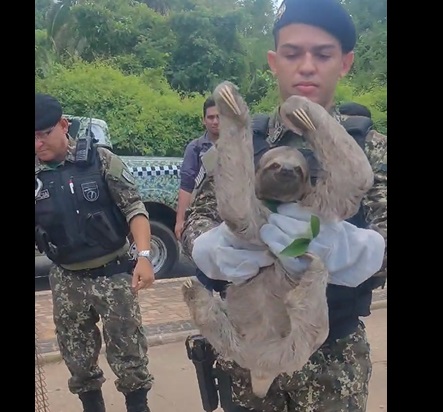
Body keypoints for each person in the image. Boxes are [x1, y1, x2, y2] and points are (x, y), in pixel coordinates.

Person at [181, 0, 387, 411]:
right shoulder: (241, 140)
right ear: (274, 61)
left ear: (345, 62)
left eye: (322, 54)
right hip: (249, 343)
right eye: (293, 54)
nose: (306, 66)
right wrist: (210, 248)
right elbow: (195, 219)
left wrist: (355, 252)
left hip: (333, 354)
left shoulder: (372, 148)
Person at [35, 93, 155, 412]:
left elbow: (134, 208)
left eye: (43, 134)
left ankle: (138, 406)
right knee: (78, 358)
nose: (37, 145)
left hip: (114, 272)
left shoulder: (100, 160)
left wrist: (143, 256)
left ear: (63, 126)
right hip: (66, 279)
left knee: (129, 354)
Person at [174, 96, 219, 240]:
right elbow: (187, 186)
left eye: (219, 117)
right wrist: (180, 221)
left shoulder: (237, 146)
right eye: (211, 117)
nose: (215, 121)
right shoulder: (195, 148)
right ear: (204, 120)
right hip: (203, 214)